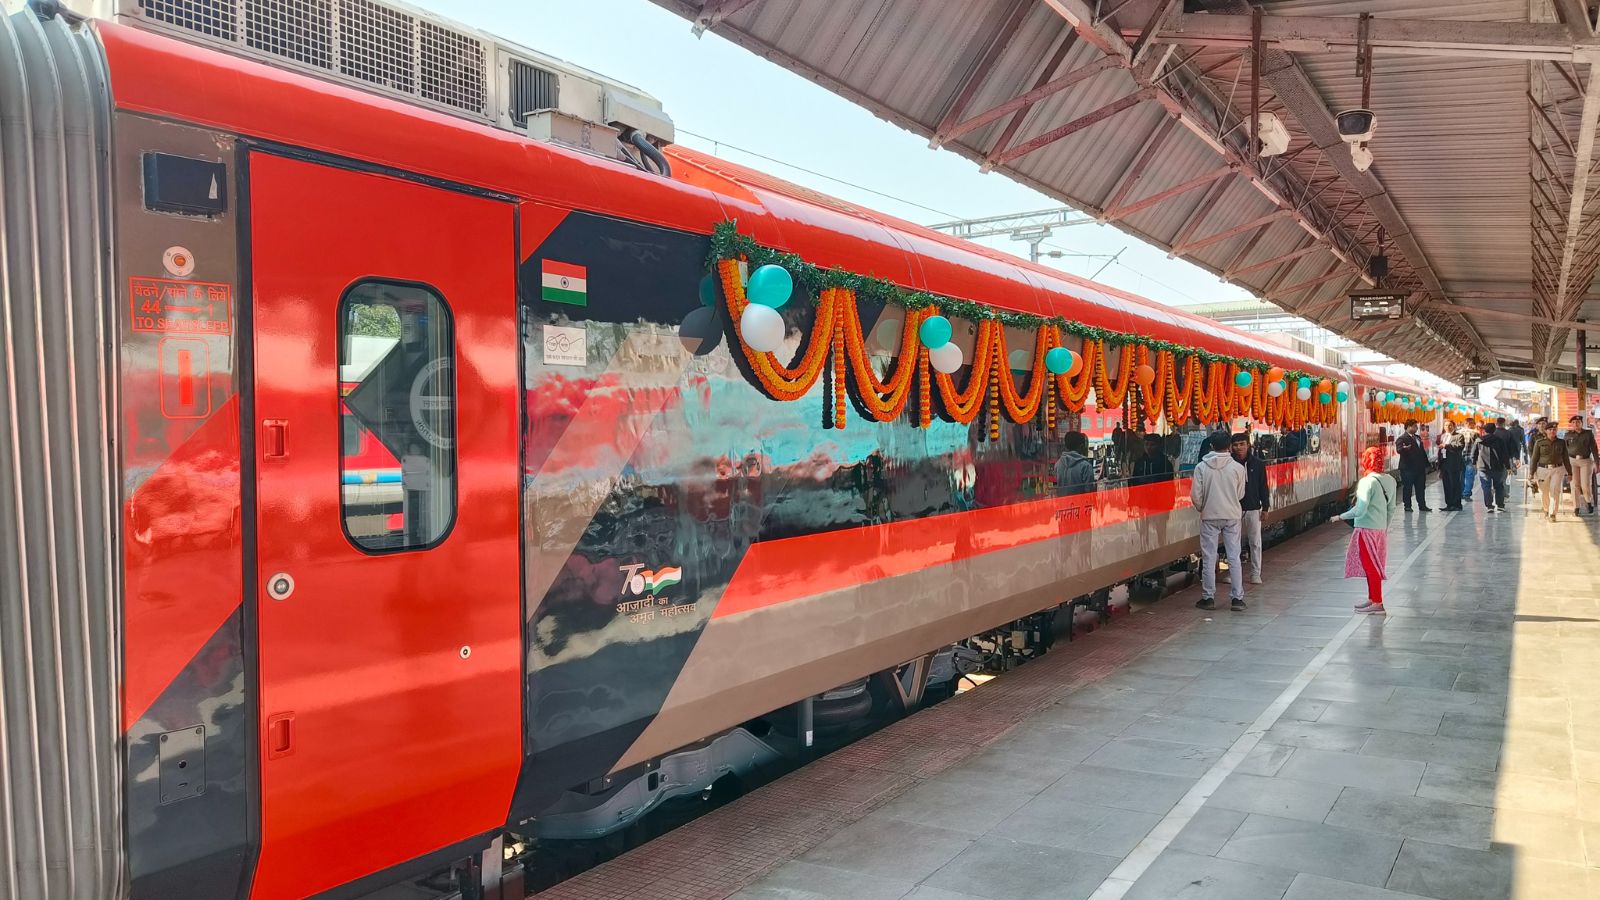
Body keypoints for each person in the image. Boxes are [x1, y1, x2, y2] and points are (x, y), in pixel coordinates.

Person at [1331, 446, 1398, 614]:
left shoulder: (1367, 482)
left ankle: (1377, 602)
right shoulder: (1390, 480)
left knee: (1371, 567)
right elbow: (1391, 508)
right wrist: (1384, 526)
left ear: (1366, 461)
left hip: (1366, 530)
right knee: (1373, 565)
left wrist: (1340, 516)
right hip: (1380, 531)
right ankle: (1372, 598)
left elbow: (1360, 510)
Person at [1191, 431, 1246, 612]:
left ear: (1211, 446)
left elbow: (1196, 495)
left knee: (1209, 557)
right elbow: (1240, 494)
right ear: (1229, 446)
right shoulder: (1237, 467)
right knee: (1234, 557)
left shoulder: (1201, 467)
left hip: (1209, 516)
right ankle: (1237, 598)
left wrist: (1203, 507)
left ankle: (1208, 597)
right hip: (1232, 516)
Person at [1231, 432, 1269, 585]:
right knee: (1233, 543)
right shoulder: (1229, 464)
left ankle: (1255, 573)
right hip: (1234, 509)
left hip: (1253, 508)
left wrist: (1265, 507)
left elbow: (1263, 486)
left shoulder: (1258, 464)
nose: (1239, 448)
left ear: (1248, 445)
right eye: (1235, 445)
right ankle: (1234, 574)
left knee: (1255, 542)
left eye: (1242, 444)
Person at [1531, 419, 1573, 521]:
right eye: (1550, 430)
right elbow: (1534, 459)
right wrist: (1531, 473)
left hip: (1557, 469)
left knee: (1554, 490)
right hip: (1542, 470)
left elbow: (1566, 458)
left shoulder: (1561, 442)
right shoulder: (1539, 443)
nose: (1552, 431)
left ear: (1557, 430)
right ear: (1546, 431)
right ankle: (1546, 509)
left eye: (1554, 429)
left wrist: (1569, 472)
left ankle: (1553, 513)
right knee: (1544, 491)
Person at [1393, 420, 1431, 512]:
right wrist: (1404, 449)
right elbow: (1399, 450)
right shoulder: (1402, 438)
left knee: (1420, 487)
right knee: (1408, 487)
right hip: (1408, 468)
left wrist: (1427, 464)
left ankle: (1422, 505)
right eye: (1414, 426)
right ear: (1408, 427)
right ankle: (1407, 506)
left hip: (1419, 468)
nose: (1416, 428)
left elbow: (1422, 452)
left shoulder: (1417, 437)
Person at [1474, 421, 1510, 512]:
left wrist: (1474, 463)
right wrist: (1508, 466)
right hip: (1498, 467)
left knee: (1486, 486)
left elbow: (1474, 453)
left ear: (1484, 430)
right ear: (1494, 430)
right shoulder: (1499, 440)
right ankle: (1500, 505)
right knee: (1499, 486)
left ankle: (1489, 506)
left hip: (1483, 467)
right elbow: (1505, 454)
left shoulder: (1479, 440)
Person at [1566, 414, 1596, 516]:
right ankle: (1576, 507)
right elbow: (1564, 450)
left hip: (1585, 461)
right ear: (1571, 424)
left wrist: (1597, 462)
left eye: (1578, 422)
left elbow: (1594, 448)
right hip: (1572, 461)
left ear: (1582, 423)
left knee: (1585, 484)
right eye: (1573, 422)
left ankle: (1588, 502)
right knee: (1574, 484)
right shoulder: (1568, 435)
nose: (1576, 424)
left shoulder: (1588, 434)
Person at [1054, 430, 1097, 496]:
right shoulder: (1086, 466)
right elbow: (1089, 492)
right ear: (1081, 446)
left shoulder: (1058, 464)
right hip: (1080, 502)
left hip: (1062, 502)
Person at [1436, 420, 1466, 511]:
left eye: (1450, 425)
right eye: (1446, 425)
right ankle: (1449, 504)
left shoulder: (1459, 436)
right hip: (1444, 463)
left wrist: (1446, 446)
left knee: (1455, 484)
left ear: (1454, 426)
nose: (1448, 427)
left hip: (1454, 463)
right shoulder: (1443, 436)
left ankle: (1457, 504)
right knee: (1446, 484)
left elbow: (1460, 446)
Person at [1460, 418, 1479, 504]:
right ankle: (1466, 494)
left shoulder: (1458, 432)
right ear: (1470, 424)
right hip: (1471, 458)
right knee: (1470, 477)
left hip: (1460, 457)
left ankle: (1461, 492)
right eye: (1473, 423)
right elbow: (1478, 447)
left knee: (1461, 476)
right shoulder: (1475, 433)